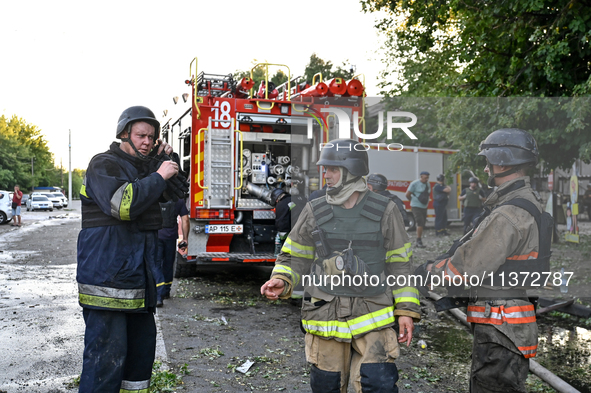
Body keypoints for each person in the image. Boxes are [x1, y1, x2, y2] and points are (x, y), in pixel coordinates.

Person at [261, 138, 420, 393]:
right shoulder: (315, 209)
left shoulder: (386, 210)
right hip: (326, 316)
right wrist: (282, 278)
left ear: (352, 171)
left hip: (373, 315)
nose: (327, 175)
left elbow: (401, 265)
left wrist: (406, 311)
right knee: (327, 387)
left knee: (378, 384)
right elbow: (295, 255)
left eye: (333, 169)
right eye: (326, 169)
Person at [427, 128, 544, 393]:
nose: (486, 169)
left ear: (501, 161)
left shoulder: (508, 213)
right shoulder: (524, 201)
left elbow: (466, 269)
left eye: (488, 162)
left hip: (501, 328)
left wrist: (428, 272)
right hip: (507, 325)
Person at [76, 105, 183, 392]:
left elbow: (178, 194)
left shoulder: (146, 168)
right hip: (107, 286)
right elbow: (122, 205)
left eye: (151, 137)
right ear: (124, 133)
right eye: (140, 136)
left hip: (139, 287)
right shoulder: (103, 165)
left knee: (137, 372)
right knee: (104, 367)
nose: (147, 142)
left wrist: (168, 160)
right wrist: (158, 175)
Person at [156, 197, 189, 307]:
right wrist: (185, 239)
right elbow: (185, 220)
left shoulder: (154, 195)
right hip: (170, 237)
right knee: (168, 264)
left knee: (156, 265)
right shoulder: (178, 200)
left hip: (156, 236)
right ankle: (166, 291)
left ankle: (158, 295)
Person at [405, 171, 430, 248]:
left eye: (427, 178)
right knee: (420, 222)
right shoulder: (414, 184)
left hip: (424, 206)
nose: (426, 179)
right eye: (425, 178)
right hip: (416, 206)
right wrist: (413, 201)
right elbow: (407, 194)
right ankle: (418, 240)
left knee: (422, 223)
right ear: (421, 177)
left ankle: (419, 239)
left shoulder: (427, 184)